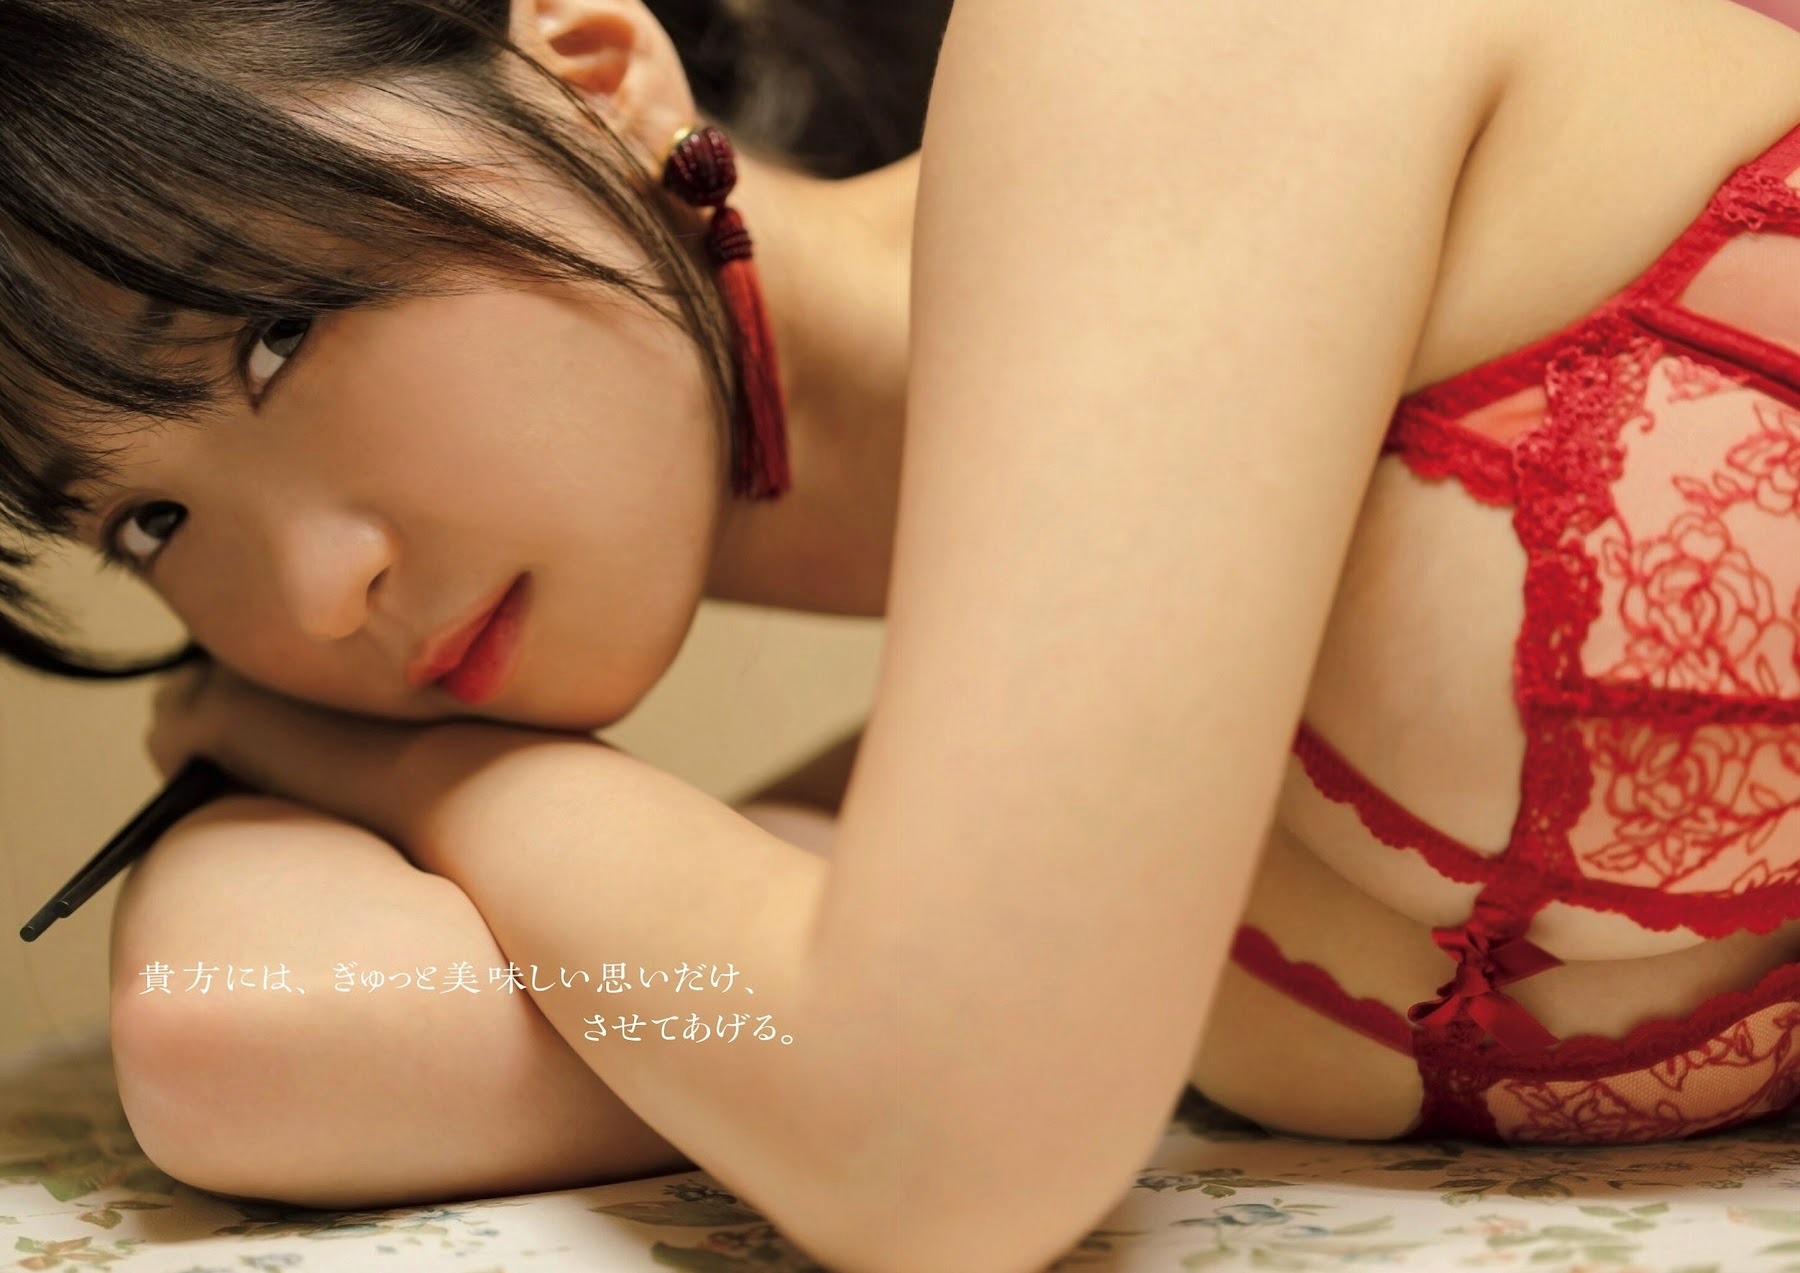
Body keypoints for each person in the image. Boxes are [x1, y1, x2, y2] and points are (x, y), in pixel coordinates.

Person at [6, 0, 1800, 1268]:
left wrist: (387, 766)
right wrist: (381, 770)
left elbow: (932, 1137)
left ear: (588, 69)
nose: (309, 594)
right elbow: (242, 1033)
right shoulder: (1008, 796)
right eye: (145, 525)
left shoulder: (1166, 45)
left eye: (276, 335)